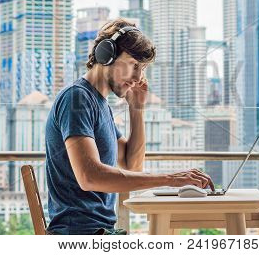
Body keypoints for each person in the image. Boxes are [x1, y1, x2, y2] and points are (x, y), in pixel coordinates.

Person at [45, 18, 214, 235]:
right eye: (134, 65)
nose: (137, 78)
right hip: (80, 234)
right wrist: (172, 179)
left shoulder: (99, 103)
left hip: (101, 231)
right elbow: (89, 177)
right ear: (106, 55)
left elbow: (131, 165)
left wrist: (136, 109)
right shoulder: (77, 98)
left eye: (142, 69)